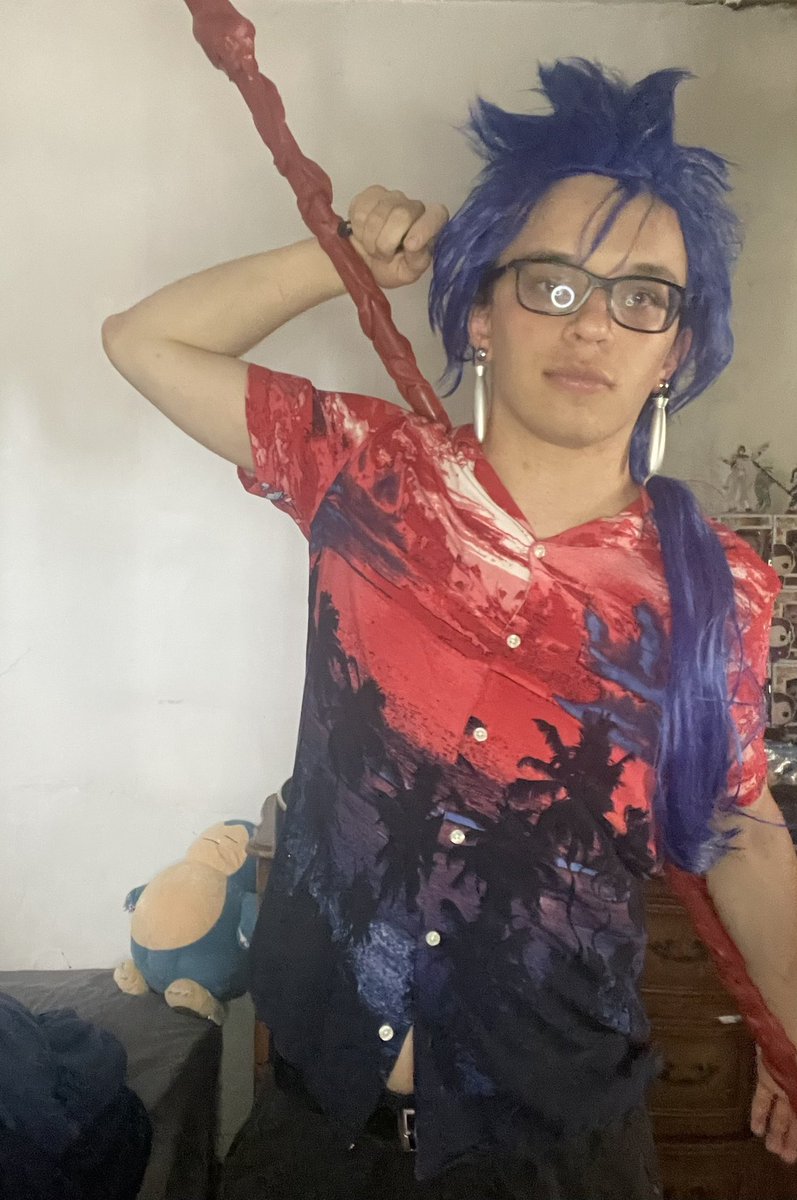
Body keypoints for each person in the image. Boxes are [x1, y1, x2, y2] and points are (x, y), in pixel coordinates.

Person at [101, 59, 797, 1199]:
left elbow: (745, 834)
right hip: (317, 1131)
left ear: (673, 347)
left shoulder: (714, 585)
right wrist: (336, 258)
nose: (592, 325)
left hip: (559, 1150)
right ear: (480, 308)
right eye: (552, 284)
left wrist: (788, 1030)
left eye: (641, 296)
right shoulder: (367, 471)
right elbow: (145, 342)